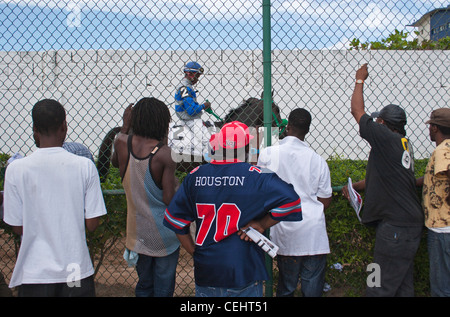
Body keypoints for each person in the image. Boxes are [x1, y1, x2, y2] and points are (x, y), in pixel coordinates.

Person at [163, 121, 302, 297]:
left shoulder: (195, 175)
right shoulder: (258, 174)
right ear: (245, 147)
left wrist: (193, 251)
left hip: (207, 268)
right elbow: (292, 201)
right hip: (243, 268)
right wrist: (262, 223)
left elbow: (176, 221)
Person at [2, 99, 107, 297]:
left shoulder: (15, 170)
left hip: (34, 272)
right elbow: (92, 223)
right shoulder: (84, 166)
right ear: (64, 126)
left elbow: (17, 227)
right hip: (75, 270)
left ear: (34, 129)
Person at [344, 64, 424, 297]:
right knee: (402, 285)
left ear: (382, 124)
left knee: (376, 282)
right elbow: (385, 178)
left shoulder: (384, 137)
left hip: (395, 230)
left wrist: (360, 80)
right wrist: (354, 187)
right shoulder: (402, 143)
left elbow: (357, 111)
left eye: (378, 120)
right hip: (407, 226)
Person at [257, 108, 332, 297]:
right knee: (313, 289)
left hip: (284, 228)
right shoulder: (318, 160)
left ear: (287, 125)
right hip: (314, 234)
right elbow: (325, 198)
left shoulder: (268, 154)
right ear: (307, 131)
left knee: (286, 287)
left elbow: (261, 190)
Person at [112, 97, 180, 297]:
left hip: (137, 232)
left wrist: (125, 126)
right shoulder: (165, 154)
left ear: (135, 120)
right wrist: (179, 188)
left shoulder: (122, 142)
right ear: (162, 123)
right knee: (163, 288)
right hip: (165, 235)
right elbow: (169, 199)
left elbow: (116, 163)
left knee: (144, 284)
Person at [421, 108, 450, 297]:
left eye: (430, 125)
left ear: (435, 128)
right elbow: (436, 177)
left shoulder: (443, 150)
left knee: (441, 287)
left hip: (442, 227)